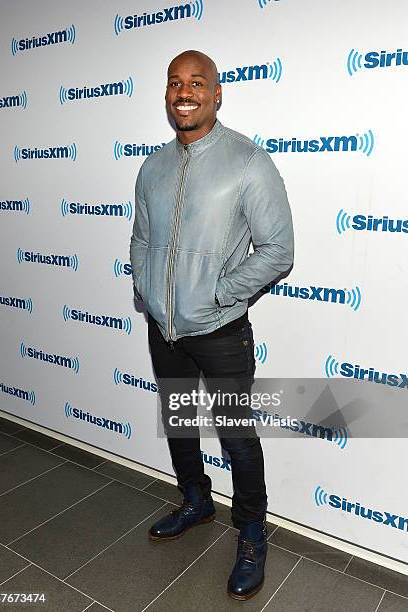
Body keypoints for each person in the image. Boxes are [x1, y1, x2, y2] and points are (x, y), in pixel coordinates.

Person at [130, 49, 293, 600]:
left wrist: (219, 293)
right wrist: (146, 290)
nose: (185, 92)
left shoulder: (248, 162)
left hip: (220, 331)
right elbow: (140, 238)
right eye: (175, 82)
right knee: (178, 421)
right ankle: (195, 501)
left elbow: (278, 250)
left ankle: (251, 532)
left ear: (217, 94)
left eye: (197, 82)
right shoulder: (152, 165)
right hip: (166, 328)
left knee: (238, 439)